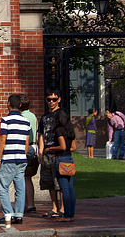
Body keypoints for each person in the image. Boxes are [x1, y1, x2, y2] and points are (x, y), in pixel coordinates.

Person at [0, 94, 30, 227]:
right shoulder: (26, 122)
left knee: (2, 187)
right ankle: (19, 215)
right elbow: (26, 142)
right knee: (20, 188)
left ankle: (8, 214)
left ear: (8, 103)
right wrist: (24, 155)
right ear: (20, 105)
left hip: (8, 158)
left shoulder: (6, 120)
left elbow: (3, 139)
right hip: (21, 158)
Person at [43, 109, 77, 222]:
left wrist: (51, 148)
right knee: (70, 188)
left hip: (61, 160)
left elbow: (62, 146)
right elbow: (73, 148)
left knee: (64, 189)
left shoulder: (59, 130)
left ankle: (67, 215)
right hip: (69, 159)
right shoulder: (70, 130)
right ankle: (71, 214)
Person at [38, 87, 67, 218]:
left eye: (54, 99)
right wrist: (40, 151)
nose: (51, 102)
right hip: (46, 153)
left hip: (58, 153)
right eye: (49, 99)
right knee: (49, 182)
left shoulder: (61, 113)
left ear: (59, 99)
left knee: (59, 182)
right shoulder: (44, 117)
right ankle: (54, 207)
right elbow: (41, 135)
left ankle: (63, 208)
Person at [19, 94, 38, 214]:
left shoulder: (21, 117)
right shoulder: (33, 116)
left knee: (23, 178)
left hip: (25, 147)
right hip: (34, 146)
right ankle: (29, 204)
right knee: (28, 178)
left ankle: (28, 204)